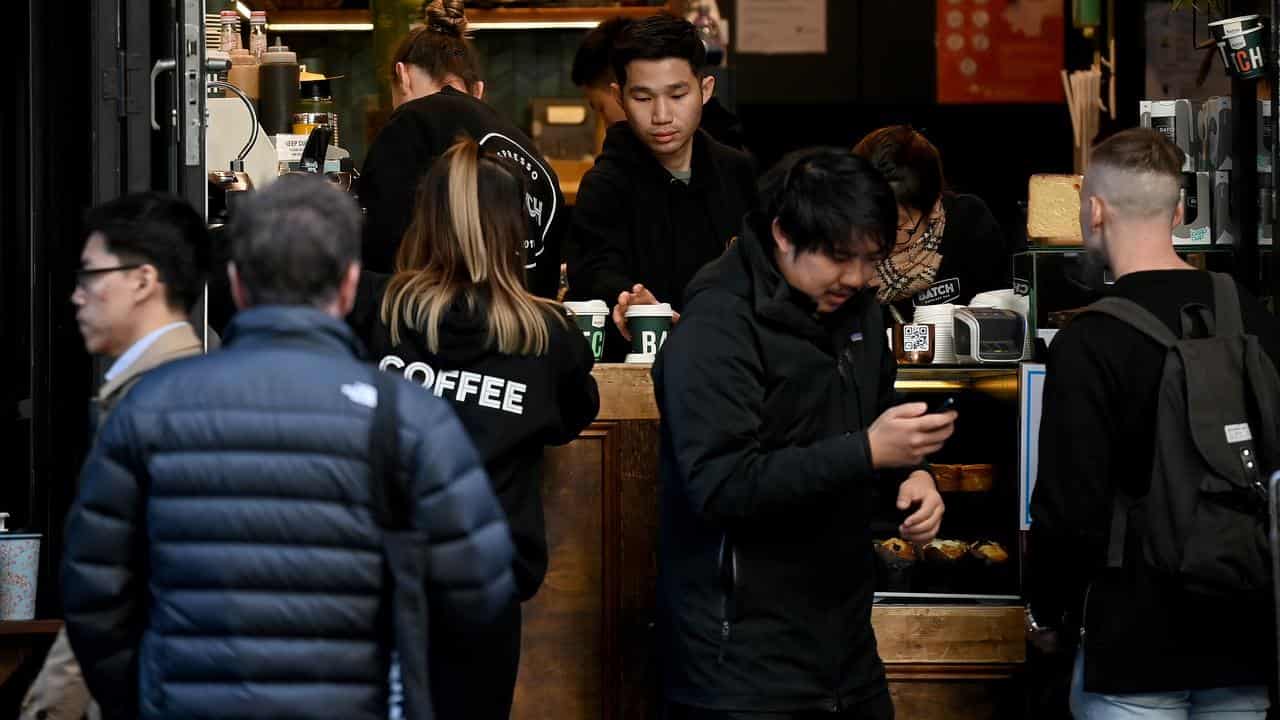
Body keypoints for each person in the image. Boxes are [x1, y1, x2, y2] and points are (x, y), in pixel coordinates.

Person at [60, 174, 516, 720]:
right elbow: (480, 593)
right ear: (349, 285)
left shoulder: (151, 406)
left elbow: (93, 594)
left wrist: (146, 695)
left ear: (236, 280)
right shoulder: (405, 416)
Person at [653, 148, 954, 719]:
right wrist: (867, 451)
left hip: (846, 654)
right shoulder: (718, 323)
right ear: (783, 235)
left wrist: (913, 474)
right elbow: (720, 484)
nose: (859, 278)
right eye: (841, 258)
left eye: (872, 260)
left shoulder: (858, 306)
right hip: (740, 669)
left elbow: (873, 408)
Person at [1027, 128, 1280, 719]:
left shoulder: (1087, 340)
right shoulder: (1248, 313)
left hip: (1133, 642)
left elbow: (1072, 509)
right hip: (1243, 633)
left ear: (1093, 211)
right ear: (1182, 210)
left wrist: (1049, 613)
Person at [348, 137, 600, 718]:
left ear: (424, 223)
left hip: (377, 579)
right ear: (514, 234)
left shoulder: (375, 310)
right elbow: (573, 415)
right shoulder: (547, 336)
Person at [21, 192, 211, 720]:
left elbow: (111, 597)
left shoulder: (148, 405)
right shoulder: (195, 384)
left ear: (143, 281)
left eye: (90, 276)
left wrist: (46, 709)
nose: (77, 297)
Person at [567, 13, 757, 360]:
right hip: (640, 372)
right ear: (619, 97)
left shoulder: (738, 172)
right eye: (643, 98)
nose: (661, 115)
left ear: (706, 90)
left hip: (731, 368)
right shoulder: (604, 185)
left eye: (677, 94)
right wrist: (626, 297)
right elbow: (594, 274)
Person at [359, 0, 564, 297]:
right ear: (478, 90)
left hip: (441, 328)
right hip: (528, 330)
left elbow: (381, 249)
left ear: (402, 76)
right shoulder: (527, 148)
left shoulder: (410, 122)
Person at [852, 126, 1008, 320]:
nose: (877, 240)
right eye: (869, 222)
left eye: (896, 226)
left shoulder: (968, 224)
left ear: (934, 206)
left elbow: (1001, 319)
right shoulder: (839, 253)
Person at [571, 15, 747, 151]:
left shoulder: (725, 159)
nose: (661, 116)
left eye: (601, 108)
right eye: (644, 98)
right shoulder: (609, 175)